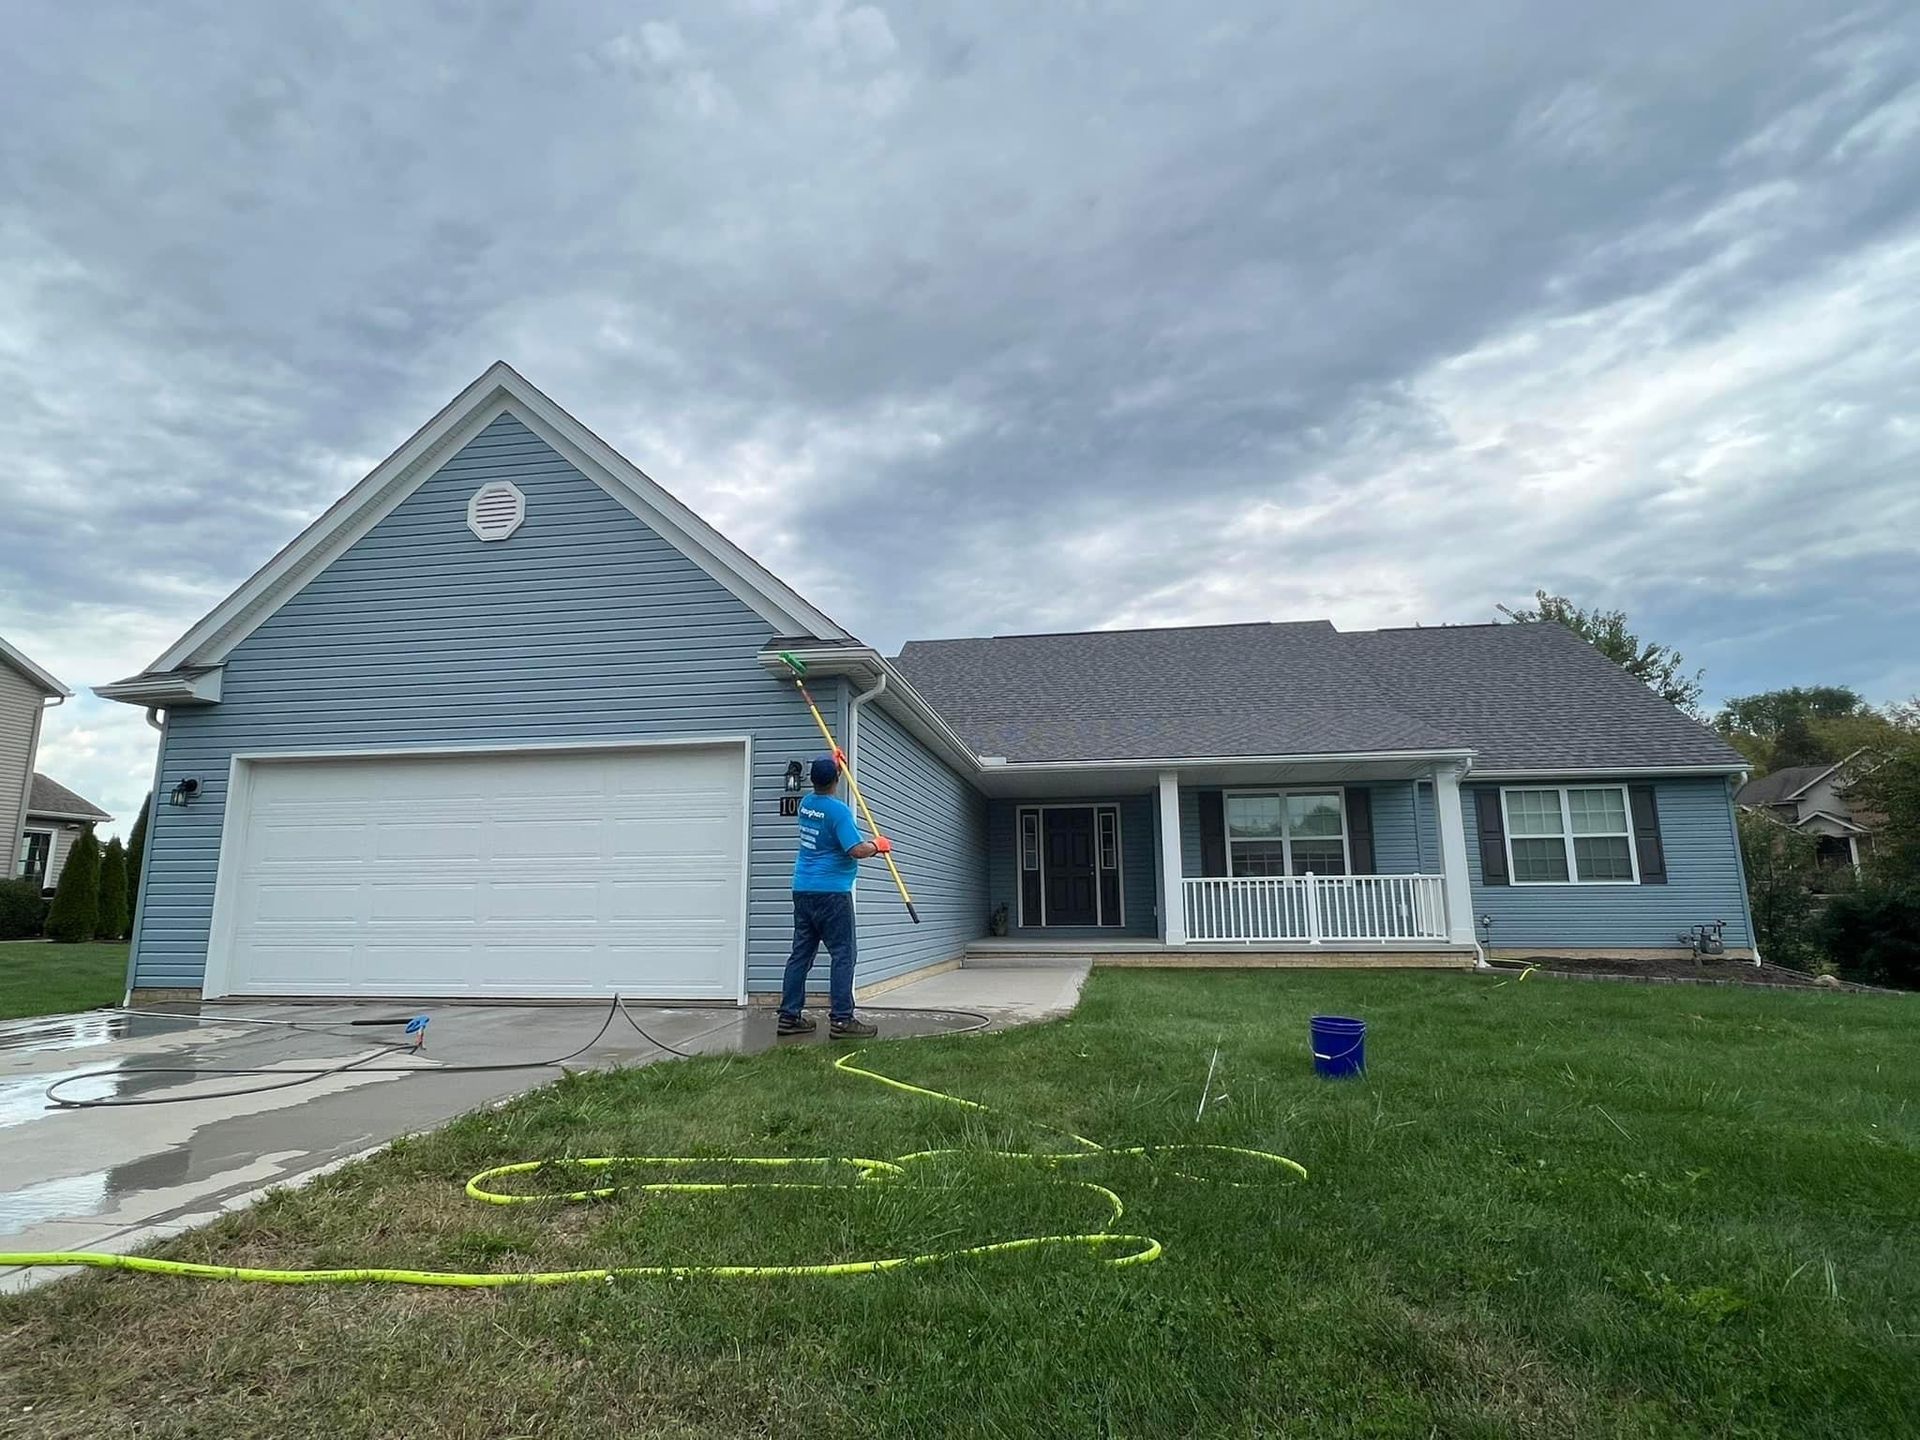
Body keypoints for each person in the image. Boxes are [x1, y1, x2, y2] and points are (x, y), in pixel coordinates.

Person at [780, 754, 891, 1038]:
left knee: (800, 955)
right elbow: (855, 849)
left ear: (813, 780)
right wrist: (877, 845)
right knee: (843, 955)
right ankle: (842, 1020)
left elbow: (825, 779)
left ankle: (789, 1017)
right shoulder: (838, 811)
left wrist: (833, 763)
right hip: (832, 894)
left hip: (803, 890)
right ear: (837, 780)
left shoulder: (806, 804)